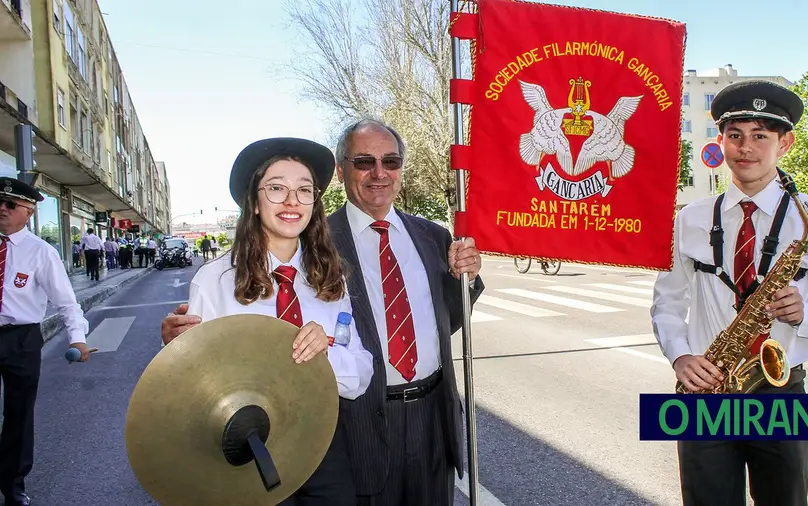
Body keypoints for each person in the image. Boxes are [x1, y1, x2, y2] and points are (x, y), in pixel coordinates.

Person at [163, 119, 485, 506]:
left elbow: (442, 319)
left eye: (391, 161)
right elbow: (196, 388)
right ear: (342, 169)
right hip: (350, 429)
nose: (379, 173)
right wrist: (179, 352)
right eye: (364, 161)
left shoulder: (425, 237)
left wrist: (463, 275)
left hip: (430, 417)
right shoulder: (321, 243)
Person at [650, 80, 808, 506]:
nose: (745, 148)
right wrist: (680, 356)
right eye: (735, 136)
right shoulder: (690, 218)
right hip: (705, 390)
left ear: (784, 144)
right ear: (721, 141)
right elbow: (668, 300)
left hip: (779, 390)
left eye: (760, 137)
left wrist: (807, 312)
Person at [162, 137, 374, 506]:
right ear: (255, 203)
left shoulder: (330, 276)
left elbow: (360, 376)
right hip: (248, 451)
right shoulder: (215, 280)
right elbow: (191, 387)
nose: (292, 201)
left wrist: (324, 352)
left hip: (321, 445)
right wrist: (176, 350)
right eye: (276, 188)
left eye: (304, 190)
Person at [0, 178, 91, 506]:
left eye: (10, 204)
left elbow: (66, 302)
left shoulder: (41, 252)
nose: (2, 209)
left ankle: (12, 484)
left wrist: (77, 339)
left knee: (18, 414)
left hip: (21, 340)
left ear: (28, 211)